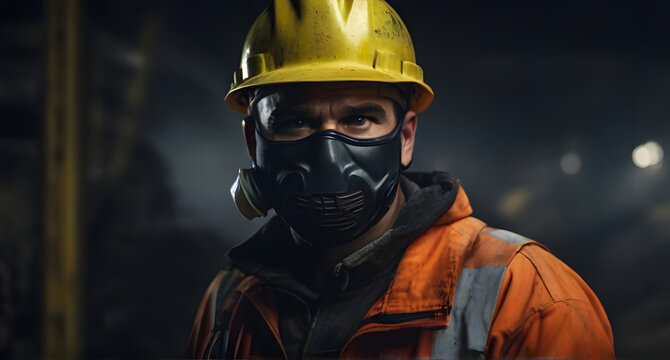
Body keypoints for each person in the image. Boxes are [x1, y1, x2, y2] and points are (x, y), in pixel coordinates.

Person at [185, 0, 615, 358]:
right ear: (252, 140)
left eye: (358, 118)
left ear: (405, 137)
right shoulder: (228, 303)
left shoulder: (528, 301)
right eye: (295, 121)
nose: (328, 154)